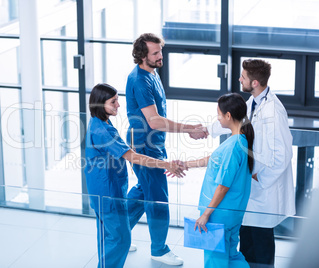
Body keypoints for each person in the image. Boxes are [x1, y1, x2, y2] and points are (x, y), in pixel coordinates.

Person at [125, 33, 207, 266]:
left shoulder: (152, 72)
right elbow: (154, 121)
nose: (161, 56)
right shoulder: (140, 80)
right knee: (158, 198)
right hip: (145, 145)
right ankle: (159, 250)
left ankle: (116, 231)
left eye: (161, 51)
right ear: (142, 56)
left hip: (152, 143)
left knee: (144, 190)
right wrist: (190, 128)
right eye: (155, 53)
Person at [84, 83, 185, 268]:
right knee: (120, 240)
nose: (118, 105)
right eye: (113, 102)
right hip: (108, 193)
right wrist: (166, 164)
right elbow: (133, 156)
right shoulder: (103, 131)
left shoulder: (100, 121)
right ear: (100, 104)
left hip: (103, 190)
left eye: (118, 100)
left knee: (109, 236)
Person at [207, 59, 295, 268]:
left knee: (261, 249)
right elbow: (238, 120)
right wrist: (205, 129)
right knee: (247, 246)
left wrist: (259, 178)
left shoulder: (274, 110)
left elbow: (283, 154)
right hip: (250, 191)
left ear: (255, 82)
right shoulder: (253, 102)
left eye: (243, 77)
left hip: (264, 190)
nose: (239, 79)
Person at [181, 93, 254, 268]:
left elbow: (223, 186)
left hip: (219, 215)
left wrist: (206, 214)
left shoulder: (233, 147)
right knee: (232, 255)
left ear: (228, 115)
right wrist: (186, 164)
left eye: (219, 114)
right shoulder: (240, 140)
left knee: (215, 261)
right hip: (233, 213)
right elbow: (213, 159)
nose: (218, 118)